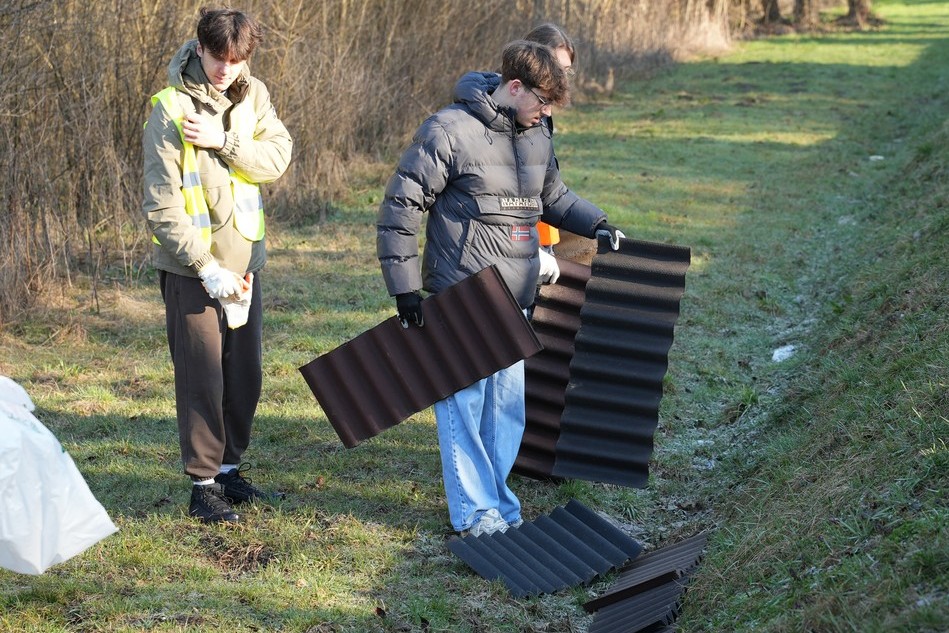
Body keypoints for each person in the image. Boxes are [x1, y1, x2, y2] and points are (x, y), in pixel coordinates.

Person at [376, 40, 625, 537]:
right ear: (515, 87)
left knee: (506, 411)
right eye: (542, 101)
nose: (546, 112)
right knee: (464, 406)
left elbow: (551, 195)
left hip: (517, 298)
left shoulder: (536, 134)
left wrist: (595, 224)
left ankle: (498, 507)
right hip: (463, 295)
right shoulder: (449, 130)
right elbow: (400, 206)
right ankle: (473, 514)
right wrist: (404, 288)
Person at [142, 7, 292, 523]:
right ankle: (203, 484)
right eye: (218, 57)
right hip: (194, 272)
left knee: (243, 376)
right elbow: (162, 206)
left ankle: (229, 470)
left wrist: (224, 141)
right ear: (199, 47)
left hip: (247, 262)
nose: (227, 69)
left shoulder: (254, 93)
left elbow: (276, 158)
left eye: (237, 59)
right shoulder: (167, 108)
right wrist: (205, 266)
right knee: (202, 376)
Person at [524, 23, 577, 263]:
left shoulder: (543, 112)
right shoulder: (517, 109)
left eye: (566, 70)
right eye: (556, 69)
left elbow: (546, 185)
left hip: (542, 229)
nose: (562, 79)